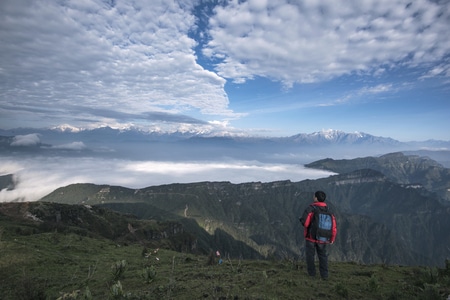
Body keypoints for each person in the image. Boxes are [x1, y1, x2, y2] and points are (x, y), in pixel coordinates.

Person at [299, 190, 336, 280]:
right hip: (323, 238)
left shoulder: (311, 208)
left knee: (310, 256)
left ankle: (312, 274)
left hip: (311, 238)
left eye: (314, 196)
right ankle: (324, 275)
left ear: (316, 198)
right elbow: (334, 227)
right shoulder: (328, 211)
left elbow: (306, 223)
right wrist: (332, 239)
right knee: (323, 256)